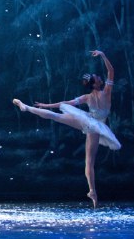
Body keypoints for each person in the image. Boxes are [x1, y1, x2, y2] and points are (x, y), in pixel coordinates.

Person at [12, 50, 120, 208]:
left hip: (87, 121)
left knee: (56, 116)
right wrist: (103, 55)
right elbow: (111, 71)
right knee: (89, 162)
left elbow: (64, 103)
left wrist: (46, 104)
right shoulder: (106, 93)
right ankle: (92, 191)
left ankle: (27, 108)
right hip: (94, 126)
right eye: (98, 78)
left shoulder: (87, 97)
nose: (100, 78)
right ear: (96, 84)